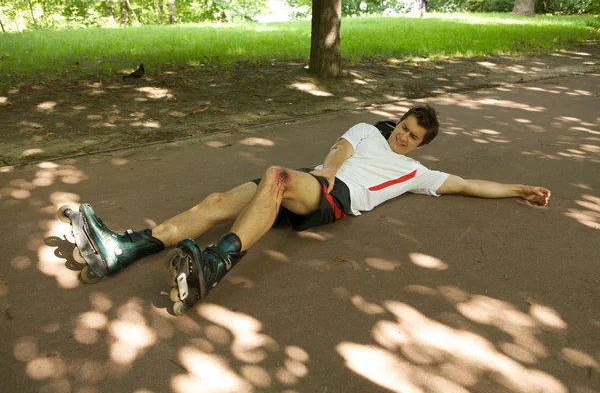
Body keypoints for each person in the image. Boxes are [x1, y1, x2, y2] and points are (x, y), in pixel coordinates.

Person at [63, 104, 551, 315]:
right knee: (216, 203)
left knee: (275, 175)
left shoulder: (418, 174)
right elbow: (339, 150)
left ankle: (216, 263)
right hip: (315, 181)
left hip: (332, 201)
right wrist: (330, 169)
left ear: (421, 145)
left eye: (413, 137)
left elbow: (467, 185)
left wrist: (519, 188)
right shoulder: (367, 131)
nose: (403, 136)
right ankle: (125, 248)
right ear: (397, 121)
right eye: (402, 127)